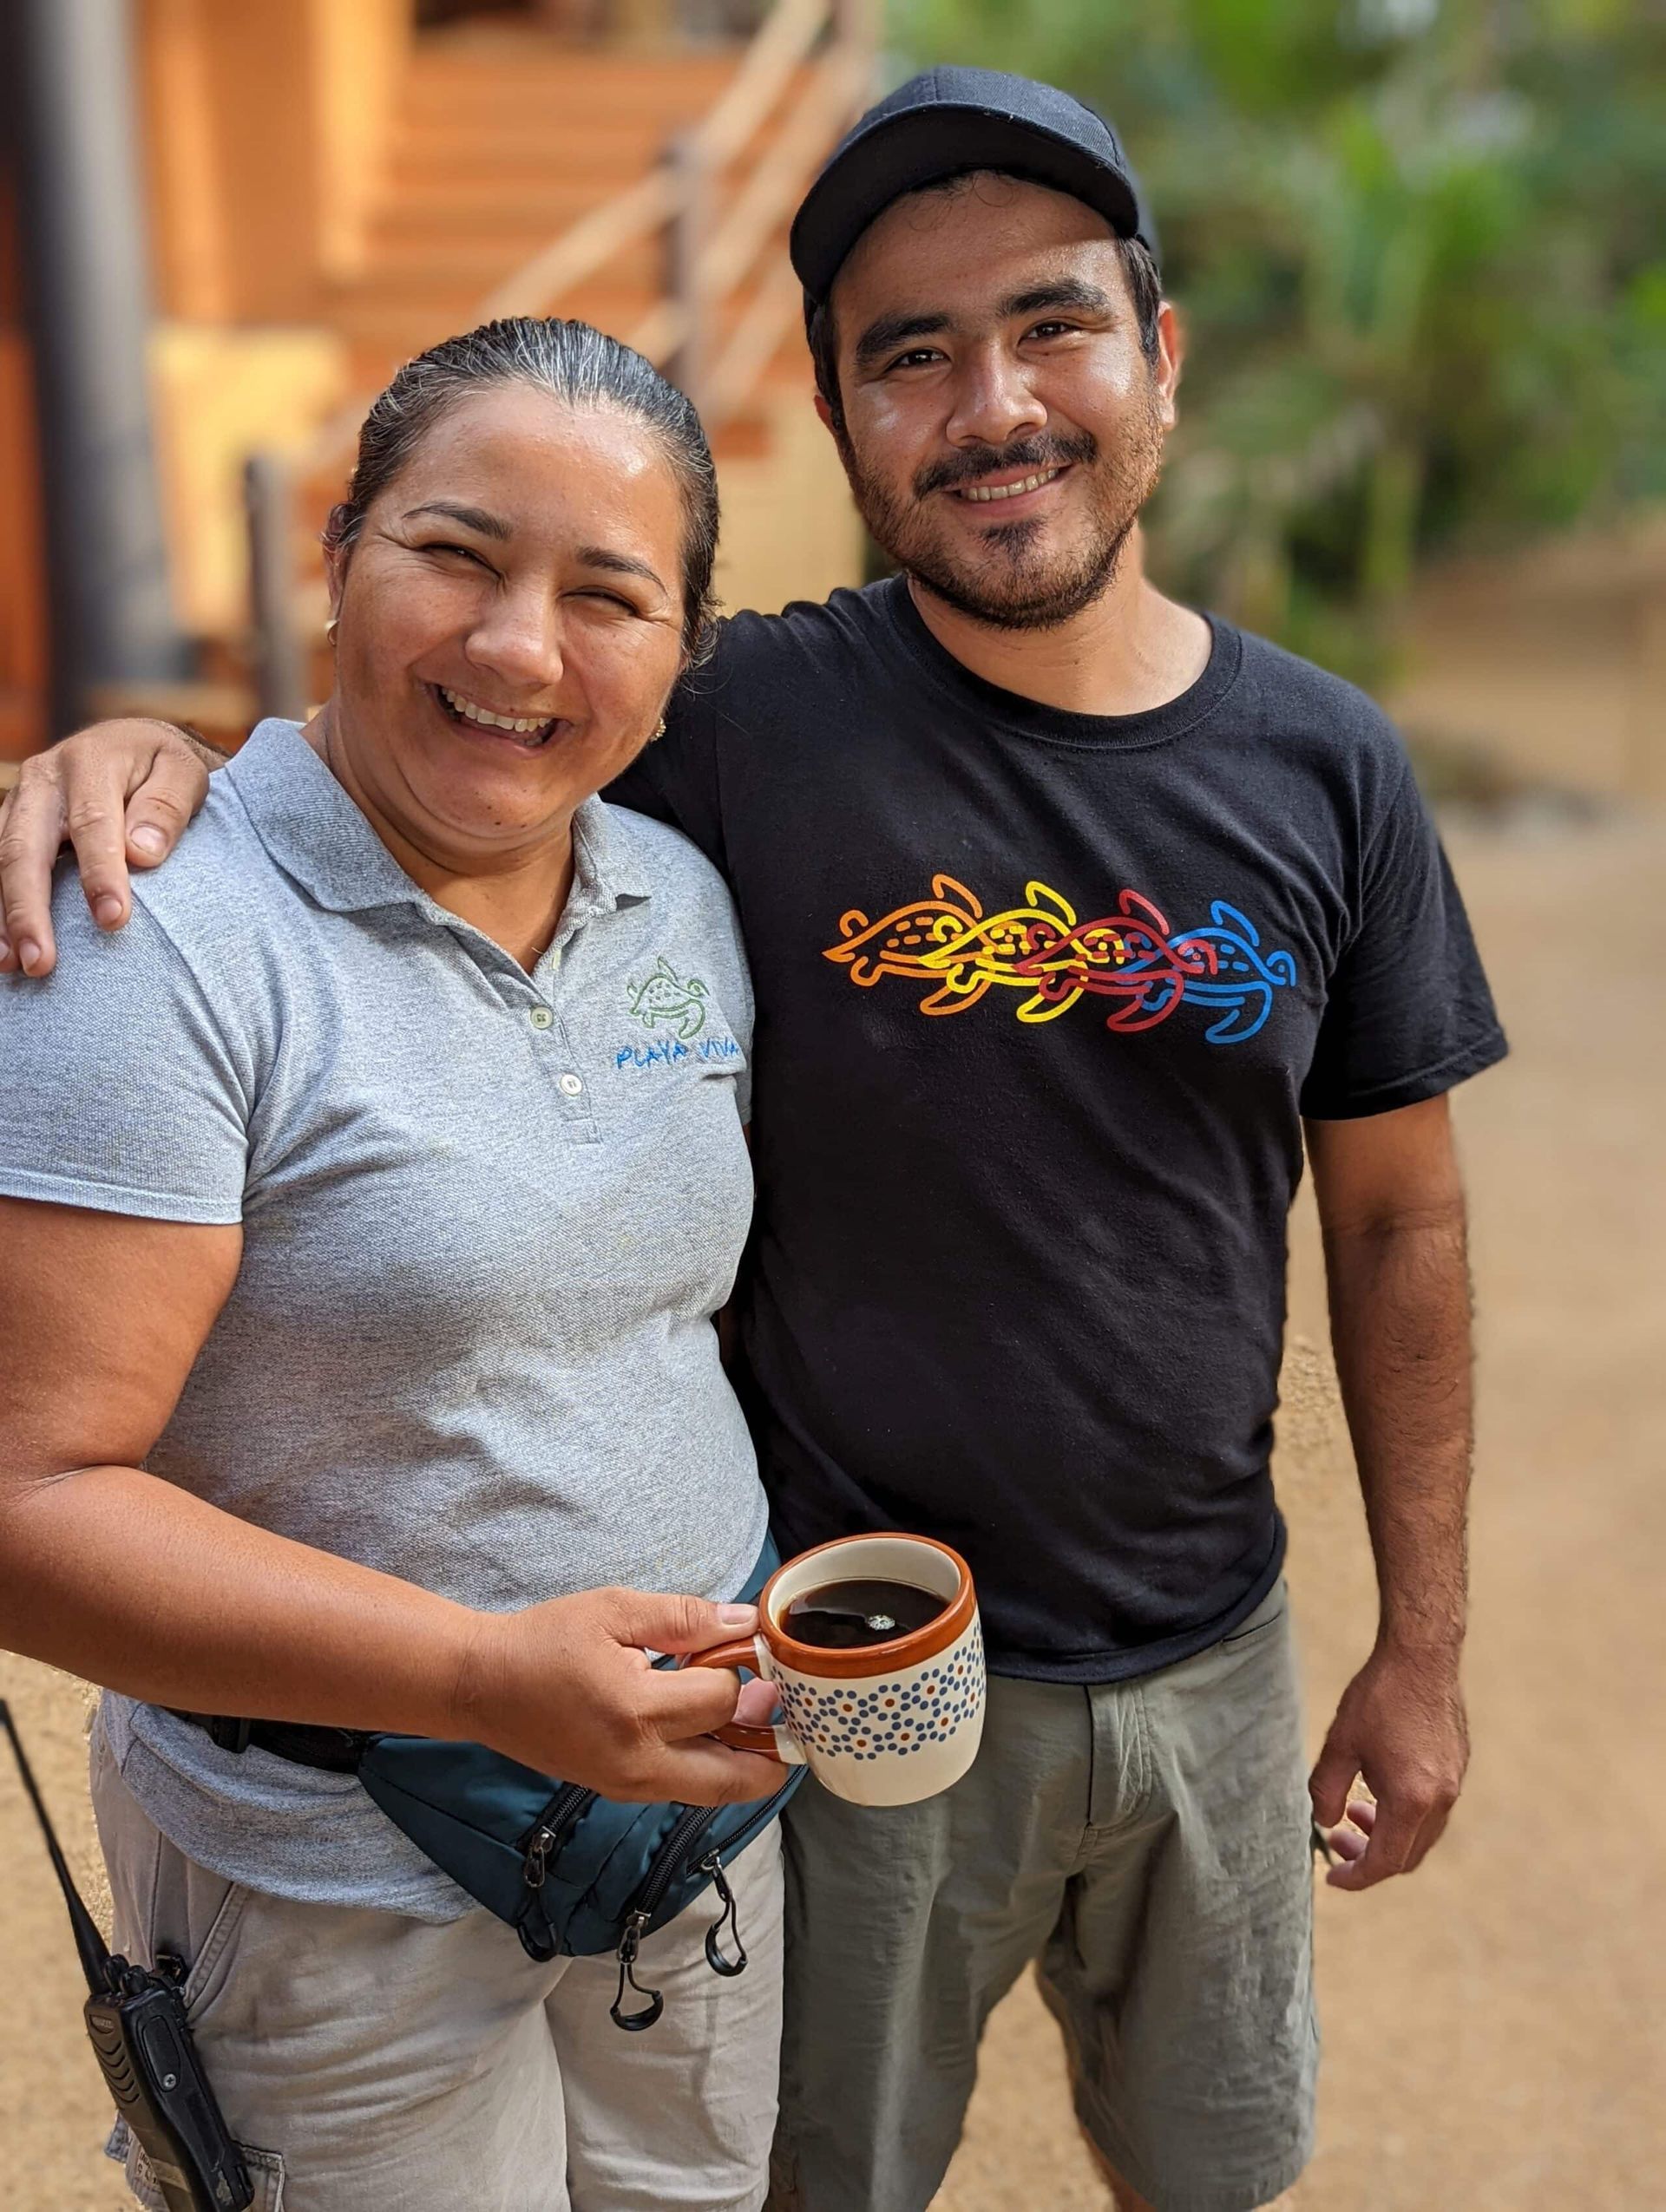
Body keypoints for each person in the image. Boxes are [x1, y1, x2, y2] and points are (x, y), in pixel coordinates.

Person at [0, 69, 1509, 2212]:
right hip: (815, 1678)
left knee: (1210, 2161)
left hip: (1168, 1669)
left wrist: (1422, 1648)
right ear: (840, 415)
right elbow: (424, 722)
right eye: (914, 353)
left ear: (1159, 356)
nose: (994, 406)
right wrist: (138, 753)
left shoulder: (1323, 768)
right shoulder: (742, 721)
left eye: (1053, 327)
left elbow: (1402, 1228)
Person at [0, 317, 797, 2212]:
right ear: (338, 553)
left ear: (681, 653)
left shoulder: (678, 897)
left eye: (608, 594)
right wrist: (481, 1671)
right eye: (456, 552)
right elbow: (26, 1499)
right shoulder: (153, 937)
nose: (519, 647)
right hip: (332, 1880)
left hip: (696, 1834)